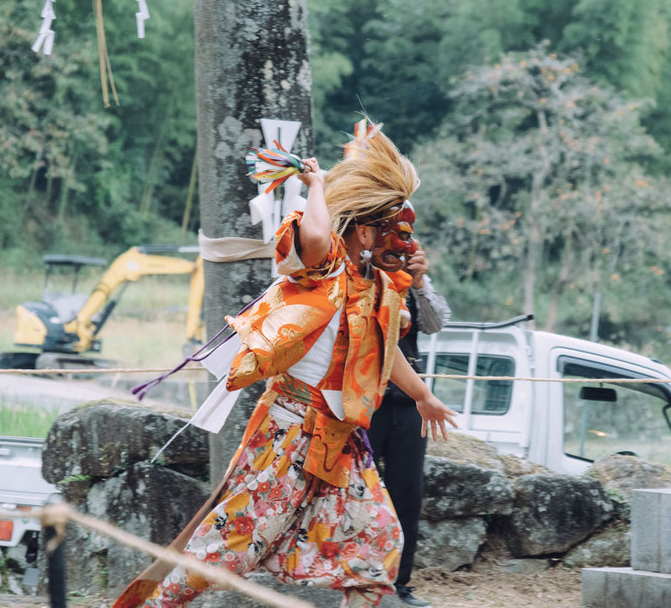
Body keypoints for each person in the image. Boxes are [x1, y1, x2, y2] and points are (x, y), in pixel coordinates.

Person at [115, 124, 458, 608]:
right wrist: (317, 185)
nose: (406, 244)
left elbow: (383, 349)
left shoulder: (377, 288)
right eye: (396, 232)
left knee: (377, 546)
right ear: (364, 231)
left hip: (340, 440)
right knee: (232, 547)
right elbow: (315, 232)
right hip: (289, 431)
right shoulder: (324, 267)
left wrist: (423, 396)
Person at [368, 246, 450, 608]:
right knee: (360, 491)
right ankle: (356, 577)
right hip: (364, 399)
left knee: (407, 494)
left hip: (410, 401)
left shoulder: (409, 280)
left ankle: (398, 584)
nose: (396, 250)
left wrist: (418, 282)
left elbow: (435, 323)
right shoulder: (357, 274)